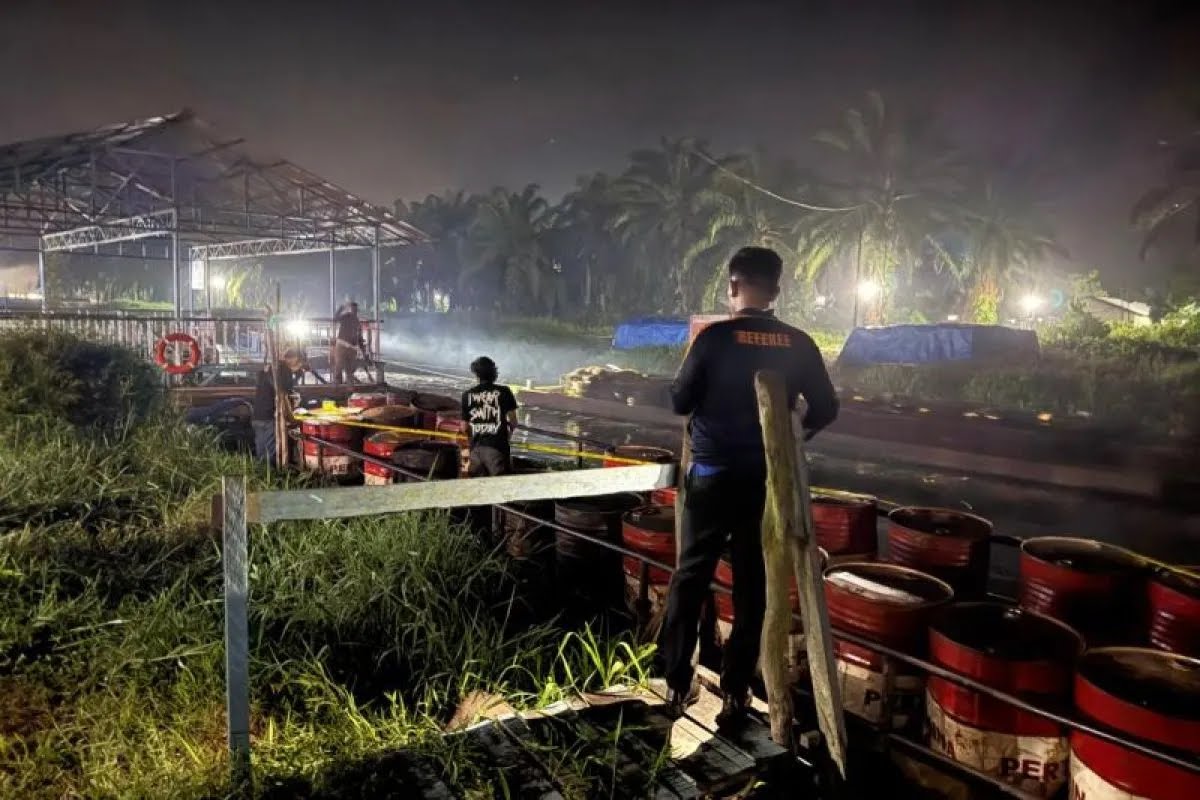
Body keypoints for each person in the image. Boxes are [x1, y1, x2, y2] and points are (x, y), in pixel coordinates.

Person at [658, 246, 839, 726]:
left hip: (711, 476)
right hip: (766, 482)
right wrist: (793, 437)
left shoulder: (714, 338)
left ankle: (676, 681)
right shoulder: (799, 342)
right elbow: (826, 407)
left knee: (691, 575)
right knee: (752, 584)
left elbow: (679, 401)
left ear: (733, 286)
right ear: (776, 290)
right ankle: (736, 690)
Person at [461, 356, 519, 476]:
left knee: (478, 484)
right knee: (499, 484)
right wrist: (508, 435)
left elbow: (464, 427)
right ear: (494, 373)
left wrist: (472, 442)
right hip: (497, 449)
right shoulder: (504, 391)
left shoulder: (467, 395)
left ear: (477, 375)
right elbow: (513, 422)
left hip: (476, 451)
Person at [251, 349, 304, 465]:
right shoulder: (284, 370)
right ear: (295, 359)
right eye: (299, 364)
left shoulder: (271, 368)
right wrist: (292, 418)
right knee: (271, 455)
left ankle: (262, 473)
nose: (298, 368)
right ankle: (273, 473)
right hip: (270, 417)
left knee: (261, 454)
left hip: (258, 416)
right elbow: (283, 396)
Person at [331, 301, 365, 385]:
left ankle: (349, 384)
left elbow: (359, 336)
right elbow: (335, 319)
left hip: (351, 347)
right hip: (342, 345)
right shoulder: (345, 317)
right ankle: (337, 384)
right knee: (339, 365)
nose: (354, 311)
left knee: (350, 368)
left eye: (355, 309)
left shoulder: (357, 321)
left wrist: (362, 348)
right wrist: (341, 308)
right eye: (353, 309)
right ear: (350, 309)